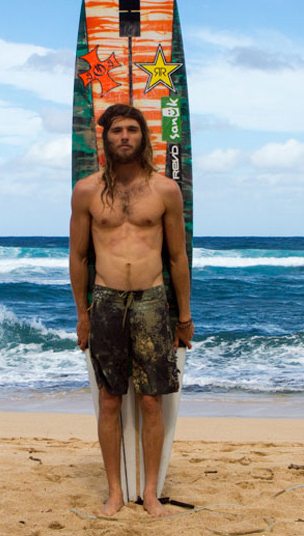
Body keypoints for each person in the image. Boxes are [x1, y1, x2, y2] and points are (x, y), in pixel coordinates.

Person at [69, 103, 194, 518]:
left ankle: (151, 492)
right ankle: (114, 491)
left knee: (151, 400)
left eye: (132, 130)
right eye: (117, 131)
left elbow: (178, 257)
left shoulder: (165, 191)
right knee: (108, 400)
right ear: (105, 140)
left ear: (144, 138)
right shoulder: (86, 191)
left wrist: (185, 316)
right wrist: (82, 315)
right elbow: (78, 257)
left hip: (153, 300)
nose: (124, 136)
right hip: (105, 302)